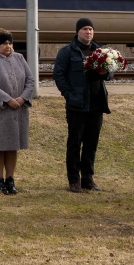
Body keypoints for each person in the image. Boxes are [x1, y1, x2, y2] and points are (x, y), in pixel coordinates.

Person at [52, 18, 112, 193]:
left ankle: (88, 178)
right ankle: (73, 179)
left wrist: (105, 72)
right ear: (78, 31)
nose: (88, 32)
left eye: (91, 29)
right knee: (74, 143)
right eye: (85, 29)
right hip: (77, 105)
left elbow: (110, 74)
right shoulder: (68, 52)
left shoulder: (100, 51)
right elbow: (59, 75)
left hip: (96, 105)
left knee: (91, 143)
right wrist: (69, 95)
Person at [0, 30, 36, 195]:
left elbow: (30, 80)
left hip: (18, 110)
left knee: (13, 145)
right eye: (5, 43)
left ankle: (10, 179)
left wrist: (23, 98)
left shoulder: (19, 58)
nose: (8, 47)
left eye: (10, 43)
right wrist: (7, 100)